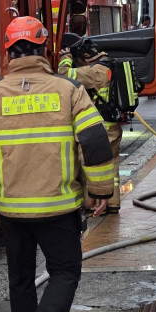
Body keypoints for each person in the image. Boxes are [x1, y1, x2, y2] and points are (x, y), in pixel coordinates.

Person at [0, 15, 115, 312]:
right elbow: (93, 142)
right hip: (58, 207)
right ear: (45, 49)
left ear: (8, 52)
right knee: (65, 270)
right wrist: (99, 190)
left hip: (12, 209)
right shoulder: (68, 91)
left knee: (20, 276)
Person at [61, 34, 124, 213]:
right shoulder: (109, 64)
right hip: (113, 127)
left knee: (93, 165)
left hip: (101, 128)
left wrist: (65, 57)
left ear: (86, 55)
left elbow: (64, 75)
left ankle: (93, 205)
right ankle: (113, 204)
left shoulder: (94, 71)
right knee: (112, 167)